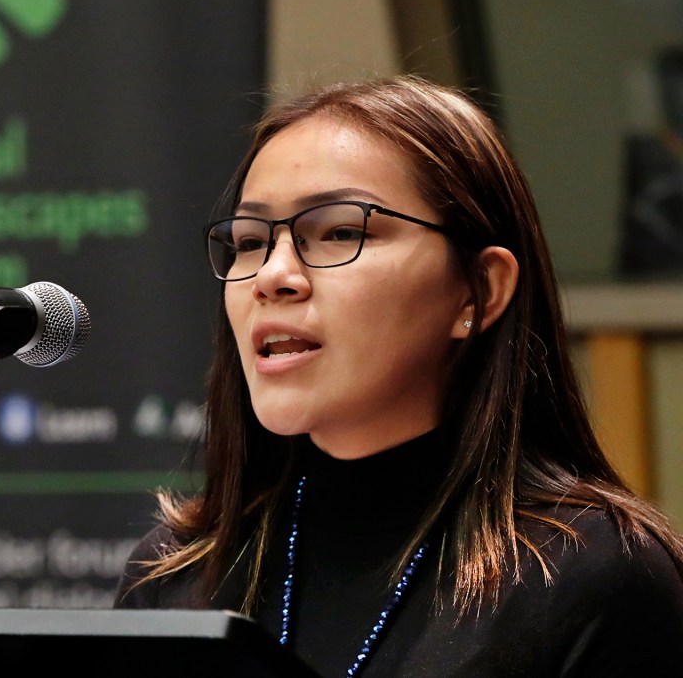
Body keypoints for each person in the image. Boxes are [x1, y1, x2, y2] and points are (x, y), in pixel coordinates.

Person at [112, 74, 683, 677]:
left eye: (339, 232)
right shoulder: (175, 575)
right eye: (250, 241)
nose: (272, 275)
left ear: (480, 290)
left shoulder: (593, 576)